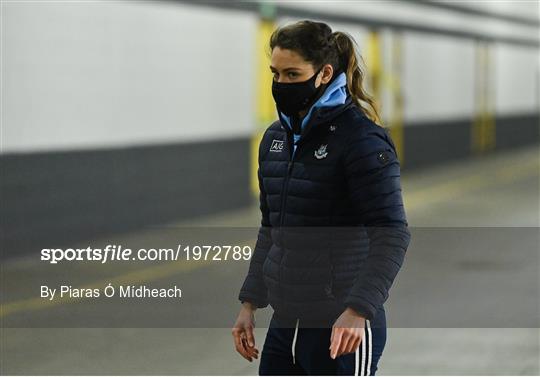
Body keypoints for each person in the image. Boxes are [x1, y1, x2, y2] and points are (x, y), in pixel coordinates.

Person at [232, 20, 411, 376]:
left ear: (325, 73)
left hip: (341, 326)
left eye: (292, 74)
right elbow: (272, 228)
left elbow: (392, 233)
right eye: (276, 73)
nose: (281, 84)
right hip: (287, 324)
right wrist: (249, 303)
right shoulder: (275, 141)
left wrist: (359, 310)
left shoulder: (361, 140)